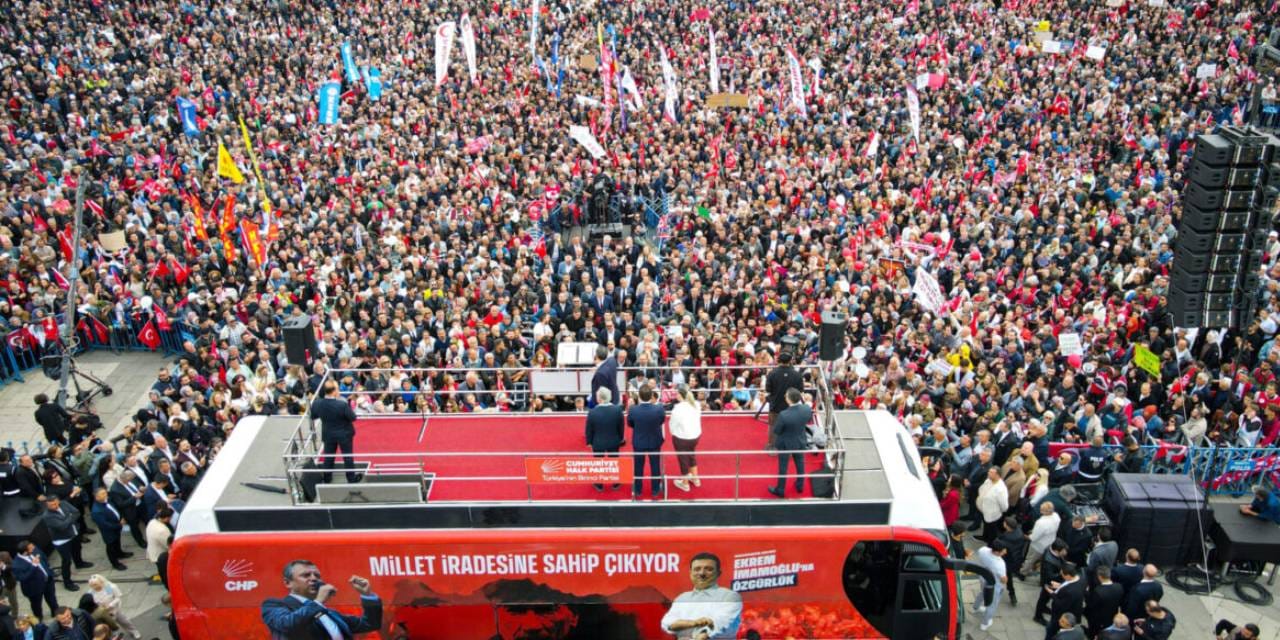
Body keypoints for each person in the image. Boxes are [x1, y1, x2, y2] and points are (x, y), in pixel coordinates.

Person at [260, 560, 381, 640]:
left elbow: (370, 624)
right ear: (287, 583)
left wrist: (367, 594)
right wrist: (318, 602)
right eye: (306, 575)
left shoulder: (330, 613)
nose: (314, 579)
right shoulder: (274, 605)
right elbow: (288, 625)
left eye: (317, 576)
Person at [659, 553, 742, 639]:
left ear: (718, 573)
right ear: (690, 573)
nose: (702, 573)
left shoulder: (729, 596)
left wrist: (701, 633)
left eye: (709, 569)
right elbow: (667, 623)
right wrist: (694, 623)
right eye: (697, 569)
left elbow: (721, 623)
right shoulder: (682, 598)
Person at [310, 382, 361, 484]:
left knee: (328, 457)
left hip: (328, 434)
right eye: (337, 389)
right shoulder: (342, 405)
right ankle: (351, 479)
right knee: (347, 457)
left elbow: (313, 415)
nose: (338, 391)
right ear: (333, 391)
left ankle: (327, 478)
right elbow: (353, 417)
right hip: (344, 434)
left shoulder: (317, 403)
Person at [767, 388, 810, 498]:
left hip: (786, 444)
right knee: (800, 464)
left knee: (783, 467)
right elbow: (808, 420)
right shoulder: (806, 408)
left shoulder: (783, 415)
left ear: (789, 399)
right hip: (800, 441)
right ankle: (800, 485)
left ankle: (780, 489)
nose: (785, 397)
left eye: (786, 396)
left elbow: (777, 430)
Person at [43, 496, 92, 591]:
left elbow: (77, 512)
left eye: (56, 503)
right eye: (51, 505)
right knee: (66, 561)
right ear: (47, 505)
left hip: (73, 533)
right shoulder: (47, 516)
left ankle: (79, 563)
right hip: (62, 540)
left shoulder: (64, 503)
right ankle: (67, 582)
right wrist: (69, 517)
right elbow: (62, 526)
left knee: (77, 549)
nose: (55, 506)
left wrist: (68, 519)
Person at [627, 384, 666, 499]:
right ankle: (655, 490)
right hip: (655, 441)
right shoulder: (659, 409)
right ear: (651, 396)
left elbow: (630, 424)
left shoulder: (633, 409)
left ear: (639, 396)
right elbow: (661, 421)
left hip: (639, 442)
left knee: (638, 466)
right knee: (655, 466)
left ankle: (638, 490)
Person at [584, 387, 624, 492]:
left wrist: (589, 442)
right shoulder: (617, 410)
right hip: (614, 441)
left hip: (598, 442)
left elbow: (589, 429)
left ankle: (599, 484)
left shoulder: (592, 412)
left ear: (600, 398)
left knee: (598, 463)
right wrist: (620, 439)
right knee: (614, 461)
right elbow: (621, 427)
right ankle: (616, 482)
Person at [764, 352, 804, 452]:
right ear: (790, 361)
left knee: (773, 426)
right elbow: (800, 390)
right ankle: (789, 448)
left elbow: (768, 390)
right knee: (791, 427)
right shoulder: (797, 375)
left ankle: (772, 446)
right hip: (792, 406)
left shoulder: (772, 374)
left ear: (778, 361)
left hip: (775, 405)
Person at [11, 541, 58, 620]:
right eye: (31, 548)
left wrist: (49, 571)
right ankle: (39, 618)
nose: (34, 548)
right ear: (26, 552)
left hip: (48, 581)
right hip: (34, 588)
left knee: (52, 599)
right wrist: (33, 566)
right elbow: (23, 578)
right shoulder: (16, 565)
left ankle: (55, 613)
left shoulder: (34, 550)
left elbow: (43, 557)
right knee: (36, 605)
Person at [669, 384, 703, 491]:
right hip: (695, 437)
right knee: (691, 454)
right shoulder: (696, 404)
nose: (675, 395)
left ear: (680, 395)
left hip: (682, 438)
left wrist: (674, 434)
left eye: (677, 393)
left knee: (683, 459)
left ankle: (685, 483)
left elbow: (672, 425)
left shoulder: (678, 409)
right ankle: (695, 478)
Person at [86, 575, 140, 639]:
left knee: (124, 622)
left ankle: (134, 631)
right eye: (92, 585)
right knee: (110, 627)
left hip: (115, 610)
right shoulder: (91, 593)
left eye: (95, 584)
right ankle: (116, 637)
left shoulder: (109, 587)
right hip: (104, 613)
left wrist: (110, 605)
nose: (94, 587)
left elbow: (118, 598)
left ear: (101, 582)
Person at [89, 489, 130, 571]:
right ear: (97, 497)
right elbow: (105, 525)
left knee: (117, 541)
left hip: (117, 526)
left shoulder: (107, 500)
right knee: (111, 547)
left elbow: (115, 509)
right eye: (103, 494)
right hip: (109, 532)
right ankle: (115, 563)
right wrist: (119, 525)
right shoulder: (96, 511)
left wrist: (120, 518)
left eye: (105, 492)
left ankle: (119, 553)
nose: (106, 494)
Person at [971, 540, 1007, 631]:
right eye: (1003, 550)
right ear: (996, 552)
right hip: (994, 585)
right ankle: (985, 623)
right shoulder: (1000, 564)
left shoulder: (983, 550)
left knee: (982, 593)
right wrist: (1006, 580)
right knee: (992, 604)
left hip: (983, 578)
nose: (1005, 551)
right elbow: (1003, 579)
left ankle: (975, 607)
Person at [1044, 562, 1085, 640]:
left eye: (1062, 574)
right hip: (1073, 609)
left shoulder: (1070, 591)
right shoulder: (1081, 578)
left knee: (1051, 629)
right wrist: (1060, 585)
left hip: (1061, 614)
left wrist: (1051, 593)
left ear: (1068, 575)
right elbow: (1068, 584)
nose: (1061, 576)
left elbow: (1060, 604)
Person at [1032, 540, 1067, 625]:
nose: (1065, 552)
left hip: (1052, 581)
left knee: (1046, 598)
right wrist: (1062, 573)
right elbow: (1050, 576)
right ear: (1056, 551)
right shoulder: (1049, 561)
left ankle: (1043, 608)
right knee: (1043, 598)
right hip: (1049, 583)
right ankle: (1038, 616)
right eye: (1063, 550)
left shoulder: (1051, 549)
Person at [1086, 566, 1125, 639]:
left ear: (1099, 576)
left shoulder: (1098, 591)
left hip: (1098, 620)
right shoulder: (1119, 587)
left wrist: (1087, 593)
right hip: (1112, 616)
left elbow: (1091, 605)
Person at [1024, 502, 1061, 576]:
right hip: (1049, 542)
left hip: (1038, 545)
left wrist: (1025, 536)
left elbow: (1033, 538)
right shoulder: (1056, 516)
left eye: (1041, 510)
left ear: (1045, 511)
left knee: (1030, 560)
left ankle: (1023, 572)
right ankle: (1036, 569)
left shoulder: (1041, 522)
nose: (1040, 511)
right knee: (1041, 559)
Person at [976, 467, 1009, 543]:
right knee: (986, 525)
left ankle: (991, 543)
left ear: (997, 475)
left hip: (992, 514)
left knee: (992, 530)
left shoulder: (1001, 489)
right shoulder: (988, 480)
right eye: (989, 471)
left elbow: (1004, 506)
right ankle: (984, 536)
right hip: (984, 510)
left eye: (991, 473)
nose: (988, 473)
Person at [146, 507, 174, 590]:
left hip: (152, 551)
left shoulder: (152, 522)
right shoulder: (162, 530)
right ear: (166, 518)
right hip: (159, 555)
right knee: (165, 572)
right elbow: (168, 545)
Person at [589, 346, 620, 410]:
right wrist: (598, 368)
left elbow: (602, 393)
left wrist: (598, 370)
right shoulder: (612, 360)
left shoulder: (600, 373)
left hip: (606, 405)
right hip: (615, 397)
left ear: (596, 356)